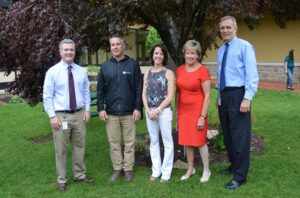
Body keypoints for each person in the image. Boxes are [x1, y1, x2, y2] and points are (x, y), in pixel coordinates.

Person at [43, 39, 94, 191]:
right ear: (60, 52)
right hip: (61, 116)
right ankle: (62, 179)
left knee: (80, 146)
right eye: (66, 50)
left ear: (74, 51)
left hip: (79, 114)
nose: (69, 52)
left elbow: (86, 92)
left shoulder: (80, 71)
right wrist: (52, 116)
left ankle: (79, 174)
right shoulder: (53, 72)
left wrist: (87, 110)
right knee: (61, 149)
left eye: (71, 50)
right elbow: (47, 96)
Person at [217, 16, 259, 189]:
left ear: (235, 28)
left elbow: (252, 74)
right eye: (222, 28)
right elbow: (221, 76)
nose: (225, 30)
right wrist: (219, 98)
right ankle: (234, 165)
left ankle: (240, 176)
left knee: (240, 137)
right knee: (228, 135)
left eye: (228, 27)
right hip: (224, 97)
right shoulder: (221, 50)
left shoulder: (244, 46)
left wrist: (247, 98)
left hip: (239, 95)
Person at [97, 36, 142, 182]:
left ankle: (128, 169)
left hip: (129, 112)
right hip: (111, 113)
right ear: (110, 47)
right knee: (114, 142)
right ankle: (117, 168)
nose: (115, 47)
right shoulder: (105, 67)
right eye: (113, 45)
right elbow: (100, 90)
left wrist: (137, 108)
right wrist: (100, 108)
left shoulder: (133, 65)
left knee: (129, 142)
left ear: (123, 46)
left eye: (118, 44)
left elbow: (138, 88)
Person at [176, 40, 211, 183]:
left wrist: (202, 116)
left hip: (198, 111)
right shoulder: (179, 70)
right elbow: (178, 93)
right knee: (186, 141)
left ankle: (207, 170)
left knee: (200, 141)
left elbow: (208, 95)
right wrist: (177, 114)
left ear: (198, 55)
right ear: (184, 54)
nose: (190, 56)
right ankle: (190, 168)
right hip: (183, 111)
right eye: (187, 53)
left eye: (193, 53)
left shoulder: (203, 70)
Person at [142, 44, 175, 183]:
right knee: (154, 141)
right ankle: (156, 171)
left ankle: (166, 173)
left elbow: (170, 96)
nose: (158, 56)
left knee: (167, 142)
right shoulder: (147, 72)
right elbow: (143, 94)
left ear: (164, 56)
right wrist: (148, 110)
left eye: (161, 54)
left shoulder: (168, 73)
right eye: (156, 53)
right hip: (150, 112)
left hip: (164, 111)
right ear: (152, 55)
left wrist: (158, 110)